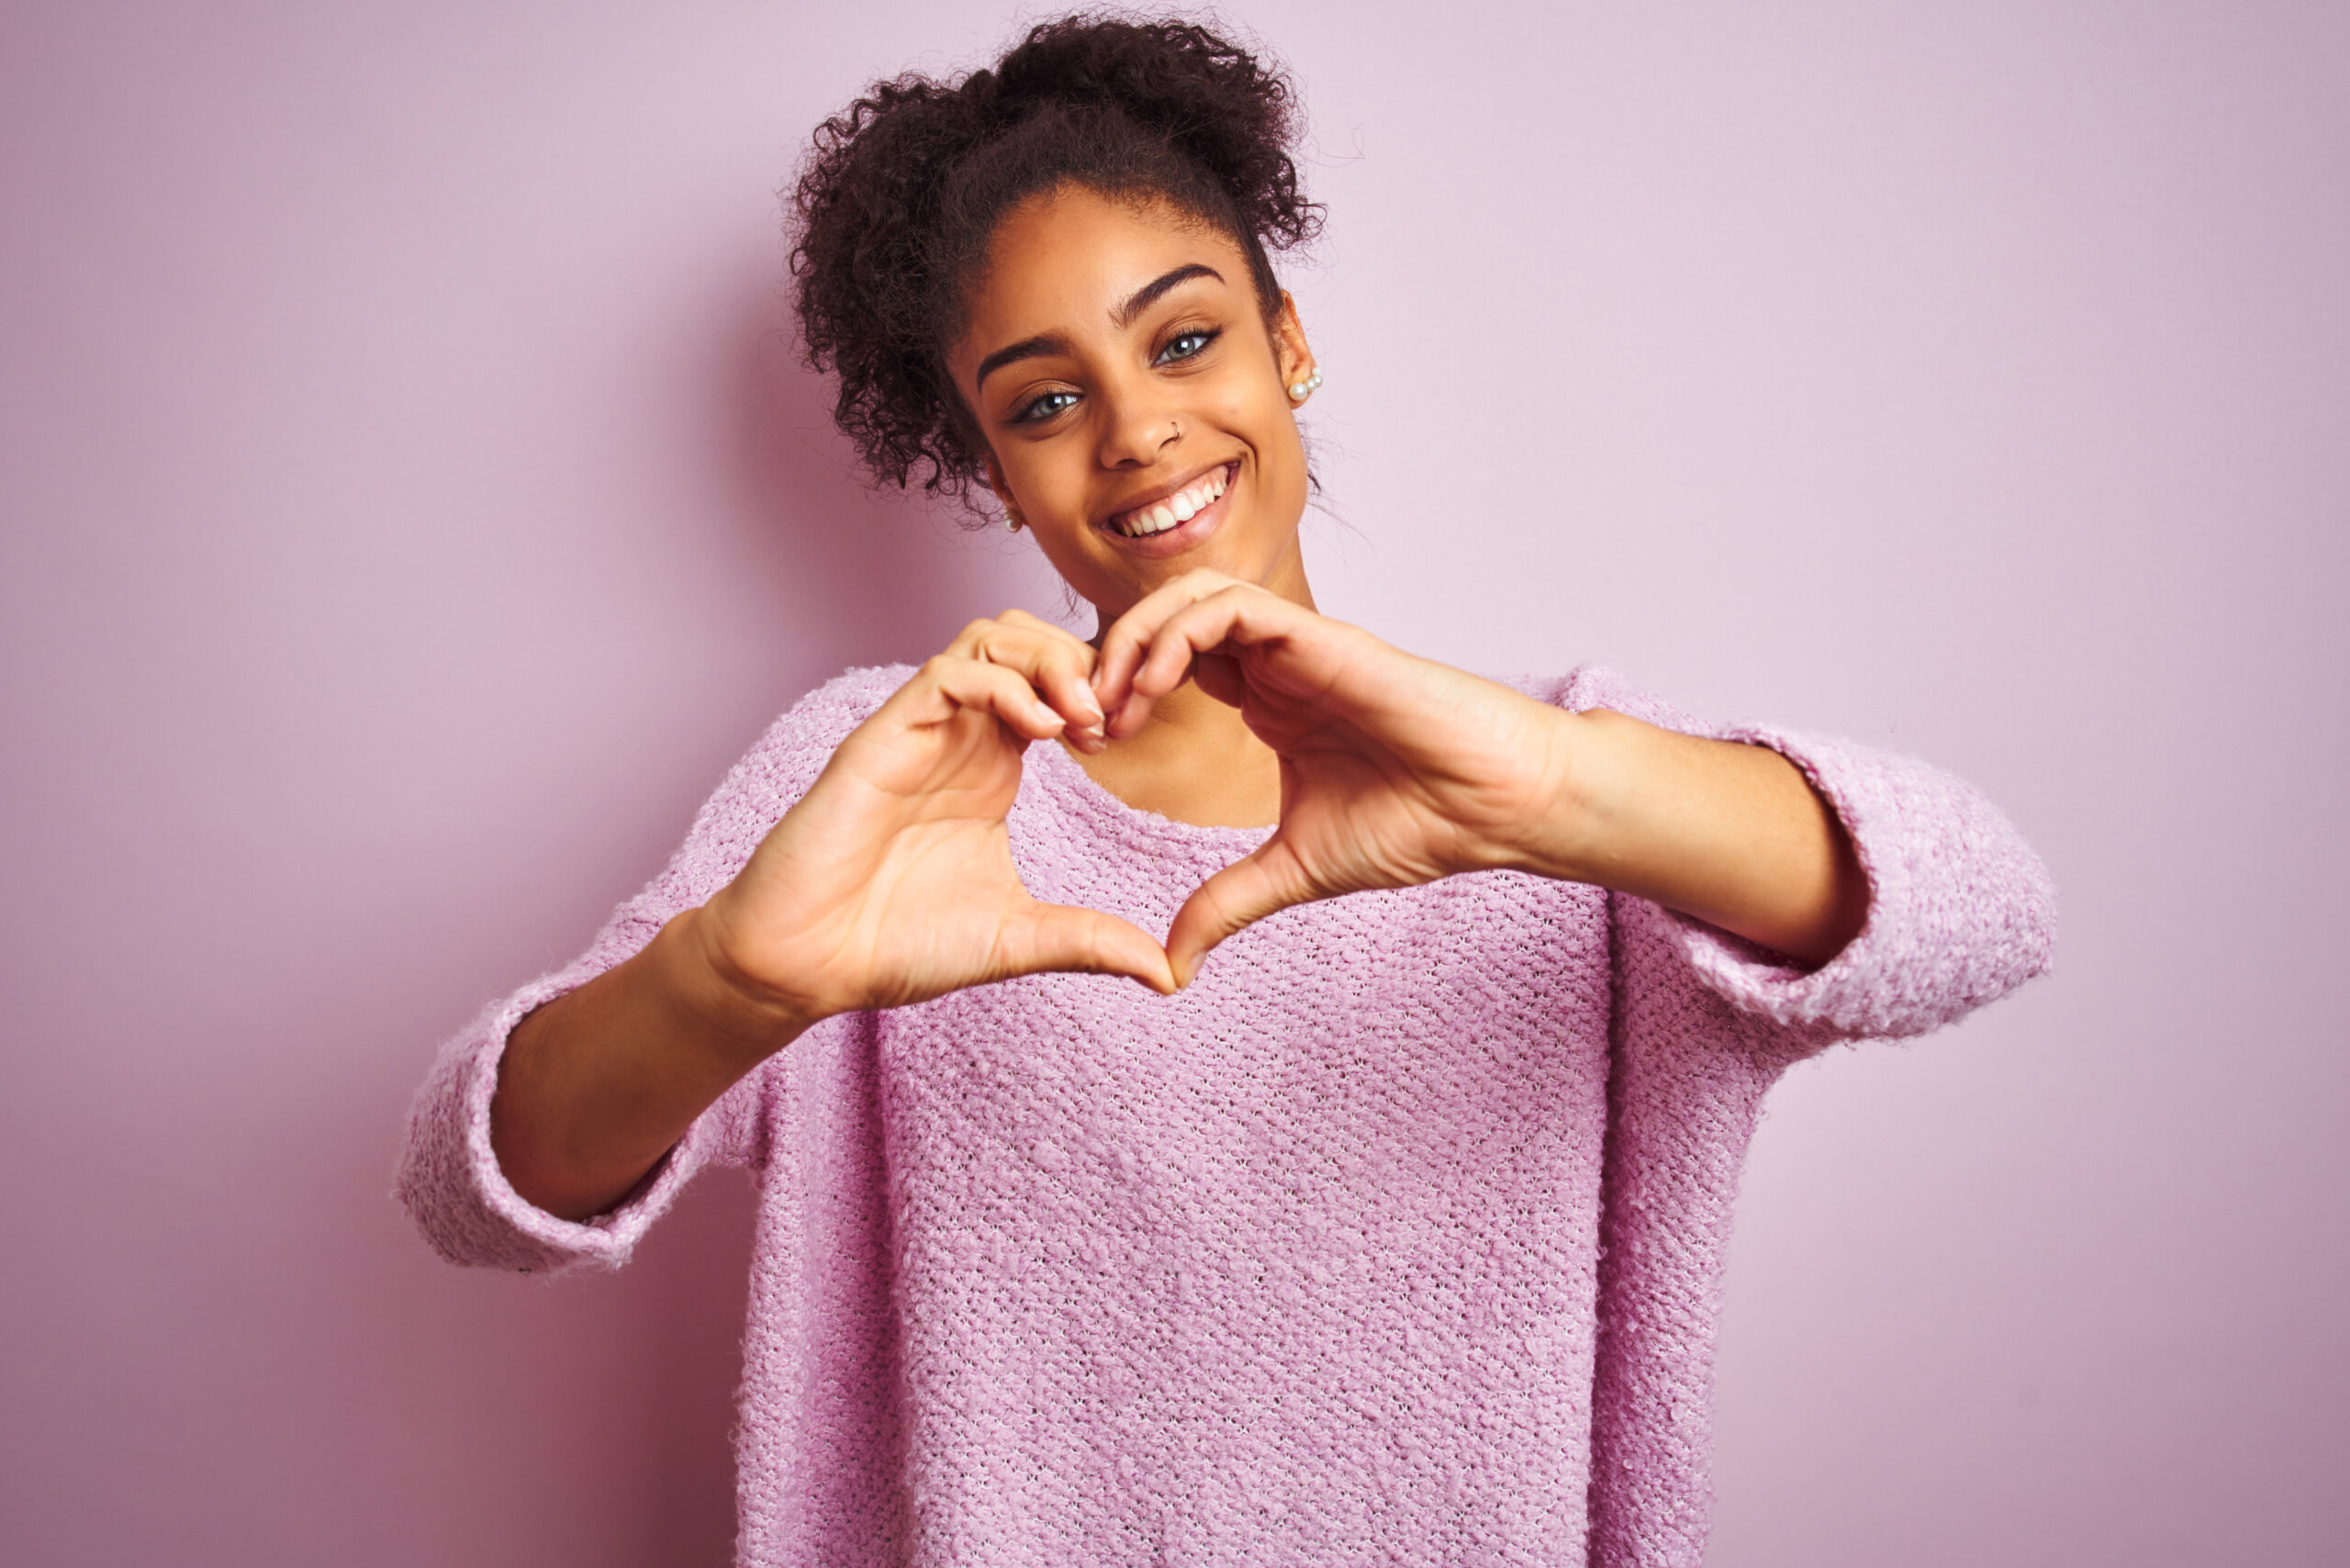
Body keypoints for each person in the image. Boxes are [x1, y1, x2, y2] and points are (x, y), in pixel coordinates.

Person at [398, 15, 2054, 1566]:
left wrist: (1548, 786)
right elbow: (481, 1194)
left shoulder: (1560, 785)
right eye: (1045, 401)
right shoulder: (898, 780)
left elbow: (1985, 912)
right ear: (992, 466)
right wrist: (735, 979)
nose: (1136, 430)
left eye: (1185, 338)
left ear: (1288, 341)